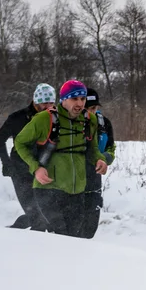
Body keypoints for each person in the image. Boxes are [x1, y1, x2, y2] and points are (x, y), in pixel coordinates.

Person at [12, 80, 108, 237]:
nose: (79, 103)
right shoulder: (44, 119)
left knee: (75, 236)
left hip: (77, 189)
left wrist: (99, 159)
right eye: (74, 99)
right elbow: (20, 143)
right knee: (59, 235)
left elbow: (93, 149)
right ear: (64, 99)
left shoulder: (89, 120)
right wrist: (36, 167)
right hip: (48, 188)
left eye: (82, 99)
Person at [0, 83, 57, 229]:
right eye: (44, 103)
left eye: (51, 103)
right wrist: (6, 162)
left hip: (42, 169)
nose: (48, 106)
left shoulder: (55, 118)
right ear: (35, 100)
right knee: (35, 215)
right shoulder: (17, 118)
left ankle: (15, 231)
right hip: (20, 169)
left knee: (46, 214)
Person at [81, 88, 116, 238]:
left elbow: (111, 148)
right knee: (69, 234)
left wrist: (105, 159)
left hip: (94, 185)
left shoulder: (104, 123)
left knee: (89, 232)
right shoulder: (70, 124)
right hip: (71, 186)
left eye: (94, 108)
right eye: (88, 108)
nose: (91, 112)